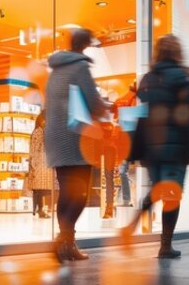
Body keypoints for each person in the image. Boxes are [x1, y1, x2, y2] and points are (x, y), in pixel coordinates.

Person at [118, 34, 189, 259]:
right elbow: (188, 114)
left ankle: (134, 226)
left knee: (159, 188)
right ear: (177, 52)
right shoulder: (183, 77)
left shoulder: (147, 79)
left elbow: (142, 111)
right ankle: (164, 245)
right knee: (171, 195)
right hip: (175, 145)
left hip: (152, 146)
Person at [44, 28, 109, 263]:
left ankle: (67, 246)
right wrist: (106, 110)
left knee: (66, 193)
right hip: (76, 138)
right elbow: (93, 101)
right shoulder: (81, 67)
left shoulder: (55, 70)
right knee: (80, 193)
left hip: (54, 137)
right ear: (86, 45)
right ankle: (63, 240)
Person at [26, 112, 54, 218]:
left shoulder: (39, 131)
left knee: (38, 189)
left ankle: (39, 209)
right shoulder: (39, 131)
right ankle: (40, 210)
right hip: (39, 163)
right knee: (39, 189)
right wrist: (34, 162)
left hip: (38, 163)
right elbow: (35, 148)